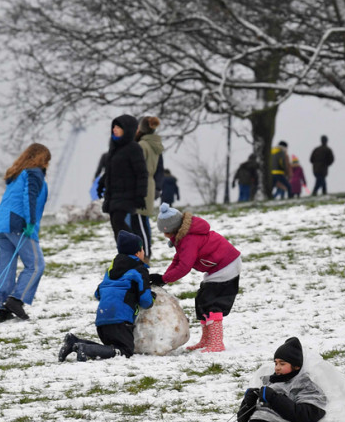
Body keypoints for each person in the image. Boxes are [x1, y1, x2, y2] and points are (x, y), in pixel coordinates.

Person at [133, 337, 345, 422]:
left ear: (296, 366)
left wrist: (275, 399)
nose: (277, 367)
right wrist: (249, 400)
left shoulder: (306, 385)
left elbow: (306, 415)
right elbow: (244, 421)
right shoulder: (272, 383)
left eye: (282, 363)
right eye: (276, 362)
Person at [151, 203, 240, 353]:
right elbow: (177, 260)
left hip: (226, 265)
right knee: (201, 301)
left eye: (165, 232)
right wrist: (164, 277)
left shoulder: (189, 239)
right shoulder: (182, 237)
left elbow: (185, 266)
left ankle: (217, 342)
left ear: (172, 229)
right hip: (217, 268)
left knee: (212, 302)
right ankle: (206, 340)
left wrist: (165, 279)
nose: (164, 235)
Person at [58, 230, 154, 362]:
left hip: (102, 320)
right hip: (120, 321)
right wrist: (152, 296)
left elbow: (98, 293)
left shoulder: (111, 270)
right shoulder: (139, 270)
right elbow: (145, 301)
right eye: (142, 249)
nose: (144, 252)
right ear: (137, 253)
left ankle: (74, 342)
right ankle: (85, 349)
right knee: (125, 350)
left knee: (111, 347)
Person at [0, 143, 51, 322]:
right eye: (47, 161)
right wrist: (29, 222)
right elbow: (28, 197)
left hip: (1, 226)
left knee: (6, 269)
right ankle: (16, 299)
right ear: (42, 159)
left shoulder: (17, 174)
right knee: (36, 265)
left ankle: (2, 309)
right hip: (18, 225)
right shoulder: (34, 173)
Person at [99, 115, 147, 243]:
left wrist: (140, 195)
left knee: (119, 222)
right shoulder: (114, 148)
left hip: (127, 194)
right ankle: (125, 255)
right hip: (113, 195)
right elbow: (110, 170)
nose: (115, 129)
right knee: (116, 227)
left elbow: (141, 173)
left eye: (118, 127)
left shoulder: (133, 148)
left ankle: (136, 249)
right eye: (113, 126)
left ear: (128, 129)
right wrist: (101, 183)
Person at [134, 116, 163, 258]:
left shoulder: (142, 146)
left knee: (139, 222)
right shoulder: (154, 144)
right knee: (143, 221)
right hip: (149, 185)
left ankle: (144, 254)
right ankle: (145, 251)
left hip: (141, 185)